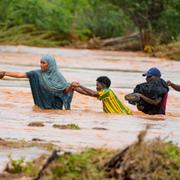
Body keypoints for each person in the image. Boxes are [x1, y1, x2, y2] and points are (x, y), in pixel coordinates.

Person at [0, 54, 75, 110]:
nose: (41, 65)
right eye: (40, 62)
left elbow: (65, 91)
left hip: (56, 110)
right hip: (42, 108)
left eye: (43, 63)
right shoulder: (36, 74)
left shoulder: (58, 76)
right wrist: (5, 73)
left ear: (50, 64)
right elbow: (20, 74)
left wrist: (71, 86)